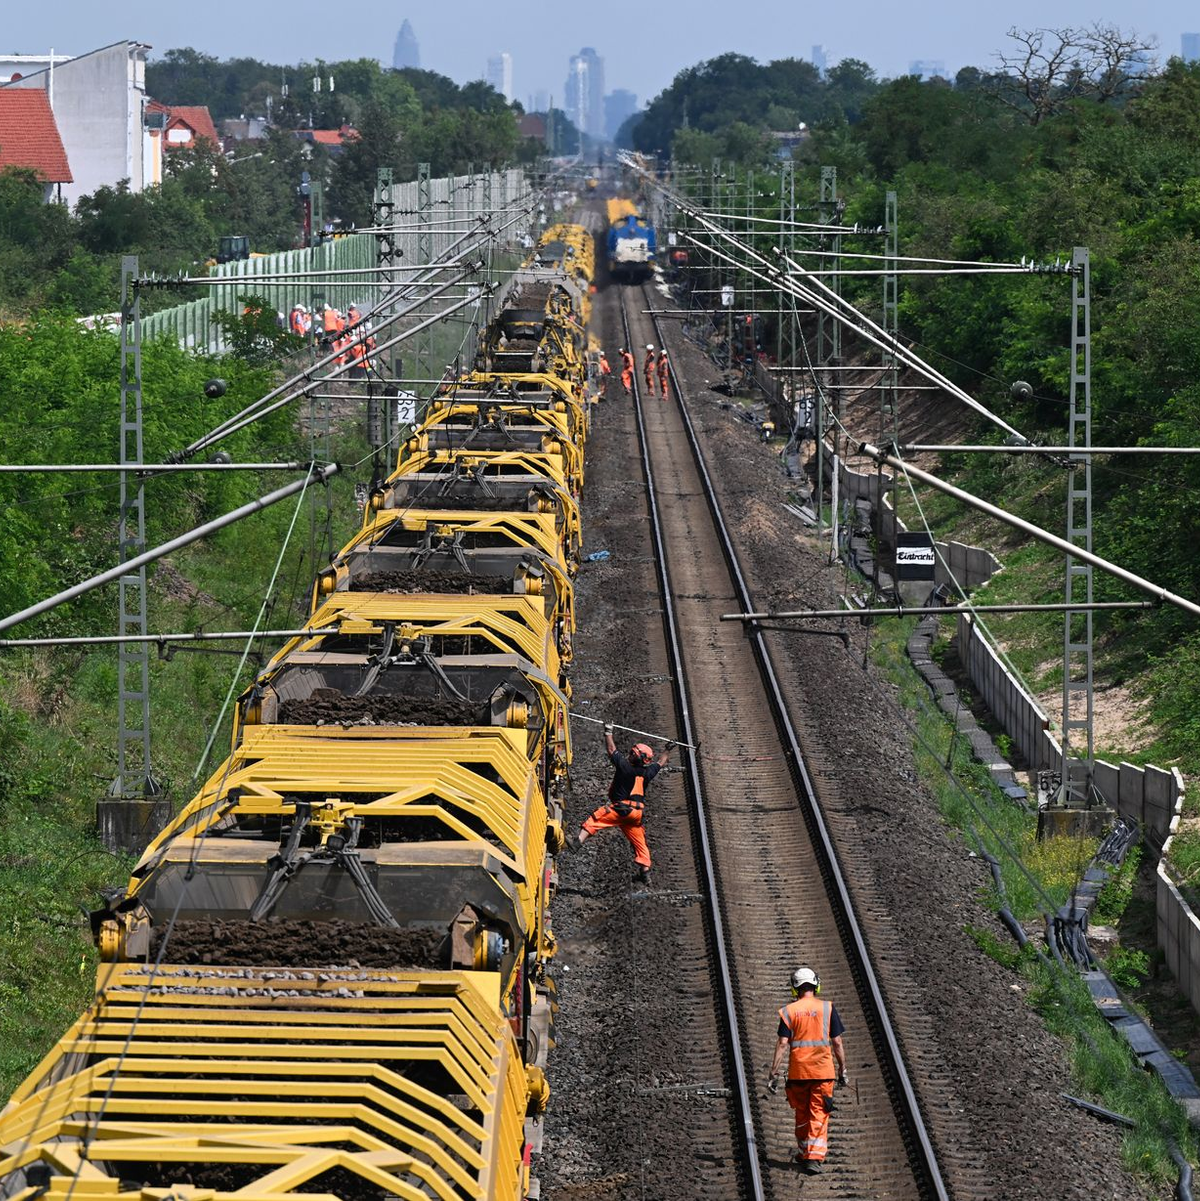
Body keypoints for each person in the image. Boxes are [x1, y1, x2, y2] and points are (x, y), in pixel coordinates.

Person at [768, 967, 848, 1175]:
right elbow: (837, 1043)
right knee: (818, 1114)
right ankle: (813, 1157)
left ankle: (804, 1152)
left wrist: (774, 1072)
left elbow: (783, 1043)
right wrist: (842, 1069)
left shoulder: (789, 1011)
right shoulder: (827, 1008)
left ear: (795, 988)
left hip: (799, 1073)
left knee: (802, 1113)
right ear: (816, 985)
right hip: (823, 1073)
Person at [571, 723, 672, 885]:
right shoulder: (647, 773)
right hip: (637, 813)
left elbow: (612, 750)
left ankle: (578, 842)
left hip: (623, 808)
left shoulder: (625, 767)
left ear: (638, 757)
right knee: (639, 840)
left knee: (598, 816)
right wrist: (668, 749)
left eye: (632, 753)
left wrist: (608, 732)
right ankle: (645, 873)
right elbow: (661, 762)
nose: (629, 754)